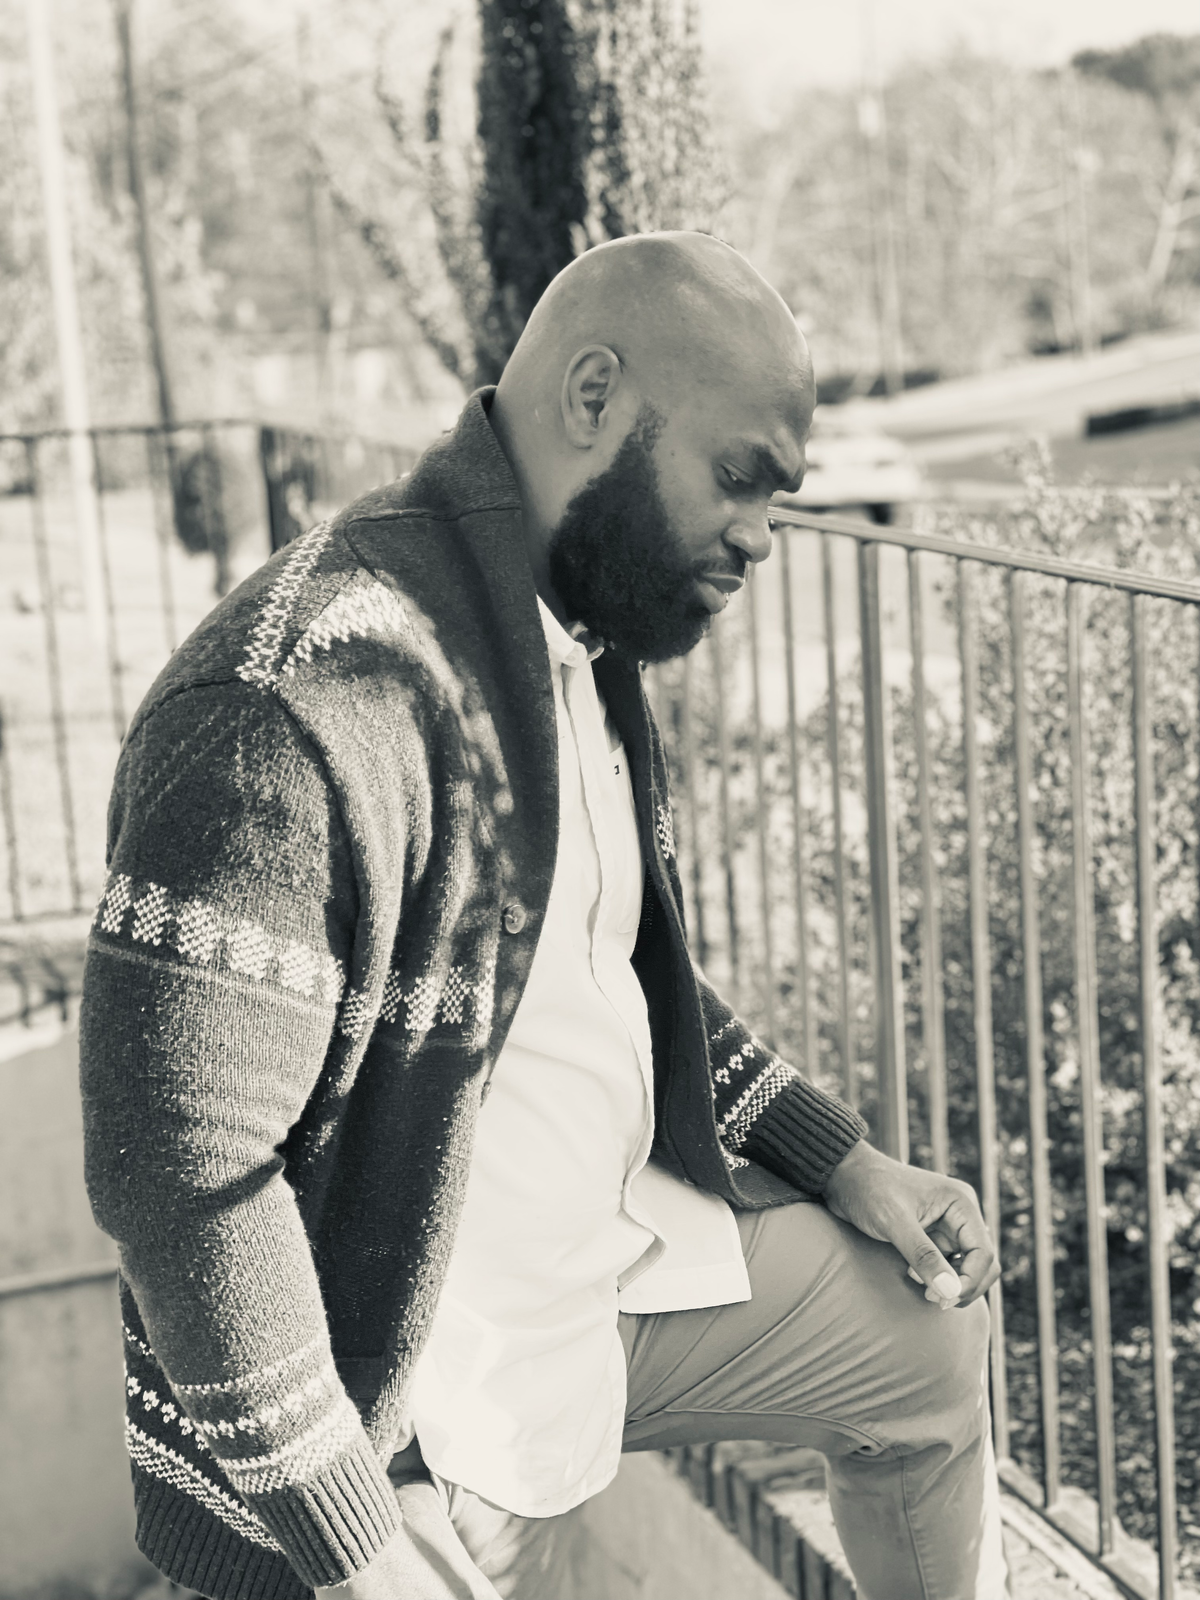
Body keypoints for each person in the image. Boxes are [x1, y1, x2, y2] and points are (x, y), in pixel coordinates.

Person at [80, 232, 1006, 1600]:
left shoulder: (572, 642)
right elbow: (178, 1174)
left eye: (779, 495)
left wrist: (843, 1160)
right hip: (407, 1405)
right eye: (739, 475)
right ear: (593, 397)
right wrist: (354, 1540)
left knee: (921, 1342)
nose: (762, 534)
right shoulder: (291, 701)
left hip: (604, 1288)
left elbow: (602, 968)